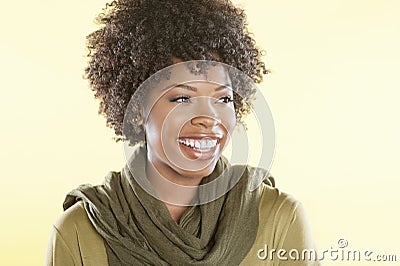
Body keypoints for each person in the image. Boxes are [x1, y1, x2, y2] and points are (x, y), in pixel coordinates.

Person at [46, 0, 318, 265]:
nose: (209, 119)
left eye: (223, 99)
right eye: (182, 99)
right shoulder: (79, 231)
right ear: (138, 109)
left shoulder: (279, 217)